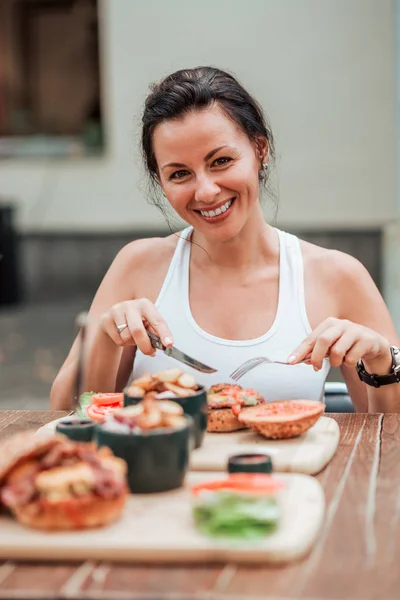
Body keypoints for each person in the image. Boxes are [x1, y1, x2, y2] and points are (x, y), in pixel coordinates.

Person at [50, 66, 400, 413]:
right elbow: (62, 413)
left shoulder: (337, 276)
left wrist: (383, 362)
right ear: (160, 181)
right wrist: (107, 341)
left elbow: (390, 439)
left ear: (260, 149)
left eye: (221, 160)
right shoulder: (137, 267)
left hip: (296, 471)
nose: (205, 191)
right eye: (180, 173)